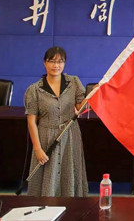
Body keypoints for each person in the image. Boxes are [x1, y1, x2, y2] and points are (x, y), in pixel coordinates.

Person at [24, 46, 88, 197]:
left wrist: (93, 94)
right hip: (46, 136)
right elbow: (31, 122)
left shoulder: (73, 82)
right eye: (52, 61)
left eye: (60, 61)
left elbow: (80, 108)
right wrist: (38, 149)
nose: (56, 65)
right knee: (48, 175)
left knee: (69, 172)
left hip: (70, 134)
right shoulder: (34, 89)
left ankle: (71, 205)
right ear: (44, 62)